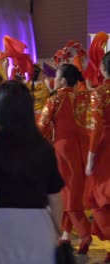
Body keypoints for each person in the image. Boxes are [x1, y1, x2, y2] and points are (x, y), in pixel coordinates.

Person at [0, 80, 64, 264]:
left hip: (0, 226)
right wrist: (56, 231)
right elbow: (55, 196)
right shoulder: (44, 148)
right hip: (39, 226)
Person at [38, 64, 92, 254]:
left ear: (61, 81)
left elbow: (42, 125)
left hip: (63, 149)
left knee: (64, 192)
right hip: (84, 147)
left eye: (57, 76)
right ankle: (66, 235)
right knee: (74, 189)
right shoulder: (85, 96)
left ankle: (85, 233)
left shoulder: (55, 99)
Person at [86, 51, 110, 263]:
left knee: (101, 197)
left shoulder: (100, 92)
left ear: (103, 69)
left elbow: (96, 127)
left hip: (105, 148)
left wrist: (91, 157)